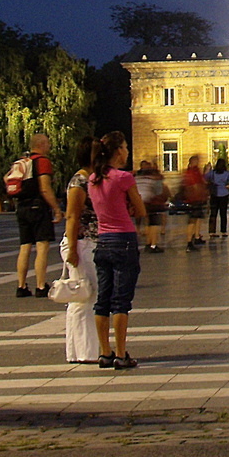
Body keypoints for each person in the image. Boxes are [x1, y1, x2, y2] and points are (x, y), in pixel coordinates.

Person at [76, 132, 146, 369]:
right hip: (123, 240)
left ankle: (104, 353)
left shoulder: (93, 179)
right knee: (121, 300)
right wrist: (129, 207)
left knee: (102, 300)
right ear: (118, 152)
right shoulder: (123, 178)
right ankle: (121, 352)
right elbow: (140, 209)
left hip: (102, 242)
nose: (127, 151)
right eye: (125, 147)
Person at [61, 137, 99, 362]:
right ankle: (85, 352)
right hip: (81, 242)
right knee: (85, 297)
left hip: (86, 242)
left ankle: (77, 352)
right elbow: (72, 216)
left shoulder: (88, 179)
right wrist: (73, 248)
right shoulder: (79, 182)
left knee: (80, 299)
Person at [11, 132, 62, 298]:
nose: (49, 146)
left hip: (22, 208)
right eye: (47, 143)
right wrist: (56, 208)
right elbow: (45, 188)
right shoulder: (43, 162)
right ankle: (40, 286)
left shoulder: (22, 162)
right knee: (42, 246)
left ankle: (21, 285)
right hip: (37, 207)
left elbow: (8, 179)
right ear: (41, 145)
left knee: (25, 246)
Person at [134, 160, 168, 252]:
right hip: (154, 203)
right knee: (154, 225)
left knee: (148, 223)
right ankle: (153, 245)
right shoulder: (153, 178)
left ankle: (148, 244)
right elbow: (158, 191)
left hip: (143, 202)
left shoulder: (138, 177)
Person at [205, 157, 229, 239]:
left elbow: (204, 178)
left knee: (213, 213)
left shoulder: (213, 173)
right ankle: (223, 231)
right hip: (224, 194)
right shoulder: (226, 173)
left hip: (214, 194)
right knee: (223, 214)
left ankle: (212, 231)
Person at [180, 155, 207, 250]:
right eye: (197, 161)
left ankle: (195, 237)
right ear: (192, 162)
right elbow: (195, 185)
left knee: (196, 219)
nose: (198, 163)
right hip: (194, 199)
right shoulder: (192, 173)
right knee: (192, 221)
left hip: (196, 199)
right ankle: (189, 242)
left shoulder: (194, 171)